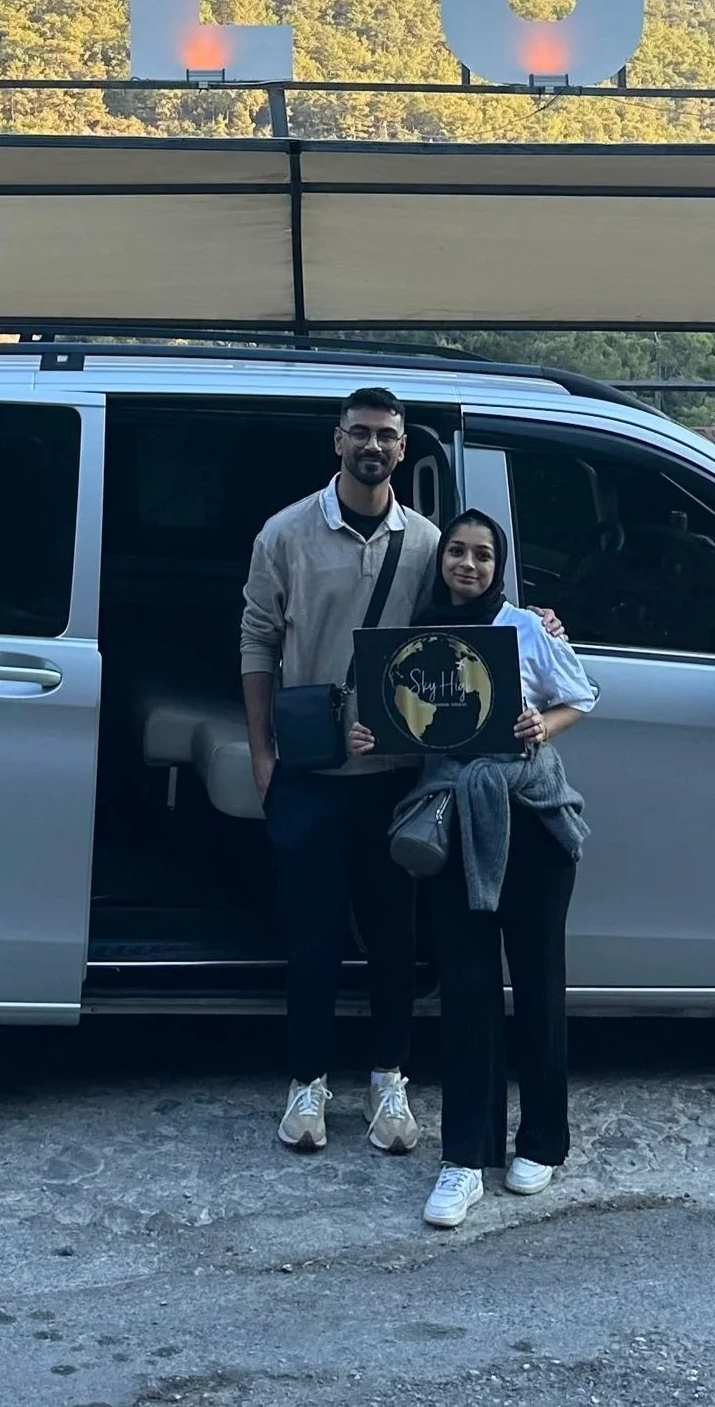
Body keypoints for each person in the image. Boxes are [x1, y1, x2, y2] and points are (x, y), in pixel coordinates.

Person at [350, 510, 594, 1229]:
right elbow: (398, 726)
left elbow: (581, 695)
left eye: (484, 555)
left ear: (500, 564)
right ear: (442, 559)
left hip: (533, 821)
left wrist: (539, 725)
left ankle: (544, 1141)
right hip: (454, 822)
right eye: (457, 551)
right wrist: (368, 734)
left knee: (540, 981)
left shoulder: (526, 627)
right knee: (466, 988)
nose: (468, 564)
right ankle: (465, 1156)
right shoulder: (414, 638)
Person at [240, 388, 438, 1155]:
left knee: (395, 938)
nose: (373, 445)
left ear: (403, 446)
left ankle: (389, 1081)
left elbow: (466, 626)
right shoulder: (286, 532)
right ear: (336, 440)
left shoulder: (425, 542)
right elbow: (257, 639)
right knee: (312, 936)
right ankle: (307, 1083)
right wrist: (263, 755)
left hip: (396, 775)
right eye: (360, 432)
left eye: (386, 435)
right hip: (311, 771)